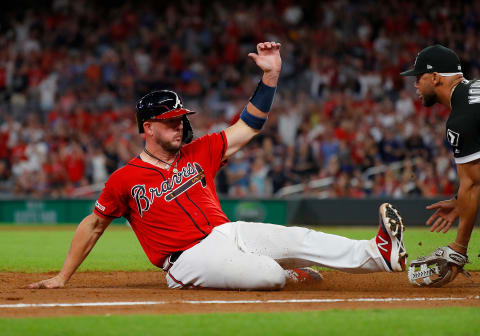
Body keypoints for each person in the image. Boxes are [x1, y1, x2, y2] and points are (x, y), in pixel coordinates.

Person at [29, 42, 407, 291]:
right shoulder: (125, 178)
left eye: (180, 118)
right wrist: (63, 277)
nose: (180, 124)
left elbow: (250, 126)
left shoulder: (201, 150)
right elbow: (94, 224)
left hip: (229, 232)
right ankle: (287, 273)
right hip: (185, 260)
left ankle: (378, 253)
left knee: (299, 238)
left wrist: (269, 77)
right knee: (269, 275)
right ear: (148, 127)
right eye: (171, 120)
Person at [401, 45, 479, 286]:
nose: (415, 85)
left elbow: (473, 183)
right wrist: (460, 201)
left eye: (418, 77)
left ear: (434, 77)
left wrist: (458, 248)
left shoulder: (462, 118)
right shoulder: (473, 91)